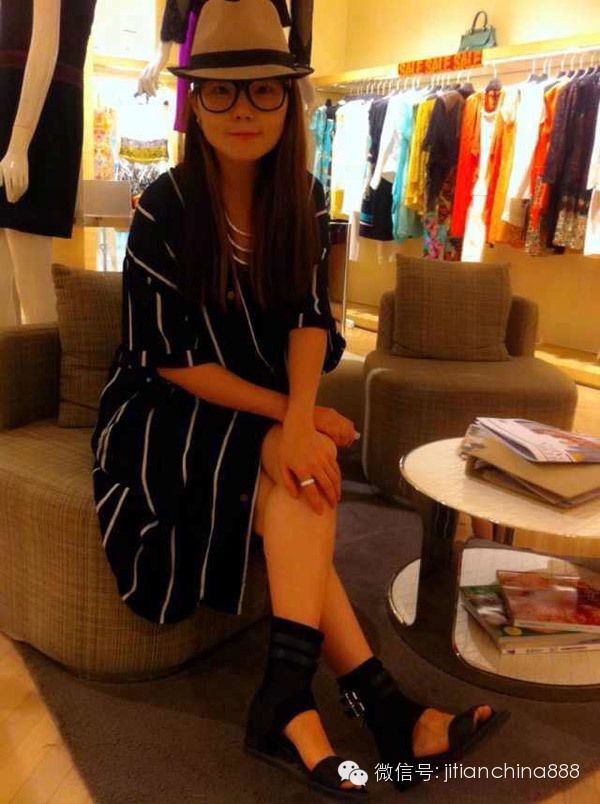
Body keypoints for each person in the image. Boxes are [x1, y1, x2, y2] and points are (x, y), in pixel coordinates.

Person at [90, 0, 510, 798]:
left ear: (289, 100)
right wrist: (292, 418)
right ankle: (374, 709)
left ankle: (302, 703)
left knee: (300, 472)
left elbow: (311, 323)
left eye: (264, 89)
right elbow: (169, 361)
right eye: (221, 90)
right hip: (161, 412)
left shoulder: (305, 200)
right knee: (298, 464)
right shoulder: (163, 210)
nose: (242, 108)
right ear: (194, 104)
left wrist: (296, 415)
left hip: (252, 401)